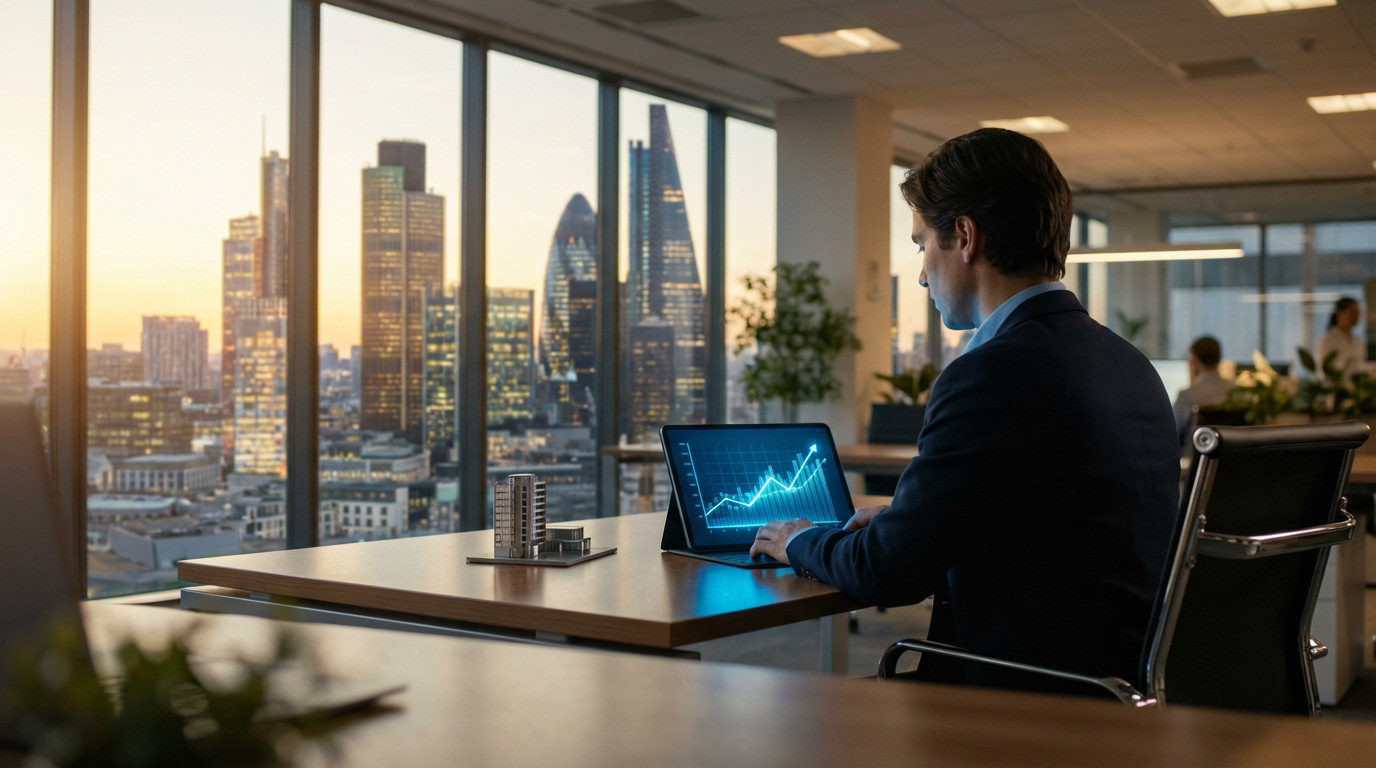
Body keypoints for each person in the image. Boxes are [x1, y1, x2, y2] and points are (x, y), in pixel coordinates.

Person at [749, 128, 1180, 695]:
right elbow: (1063, 530)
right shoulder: (1129, 364)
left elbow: (887, 572)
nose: (924, 272)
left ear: (966, 237)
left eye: (922, 243)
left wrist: (798, 540)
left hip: (1022, 703)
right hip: (1121, 692)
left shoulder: (990, 375)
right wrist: (912, 524)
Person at [1172, 335, 1233, 450]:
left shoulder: (1187, 396)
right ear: (1219, 358)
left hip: (1195, 461)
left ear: (1194, 360)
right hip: (1230, 461)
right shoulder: (1236, 392)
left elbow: (1171, 433)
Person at [1316, 296, 1365, 381]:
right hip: (1334, 390)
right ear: (1339, 313)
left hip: (1355, 390)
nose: (1356, 316)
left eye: (1357, 313)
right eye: (1352, 312)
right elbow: (1324, 370)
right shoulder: (1327, 340)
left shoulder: (1358, 341)